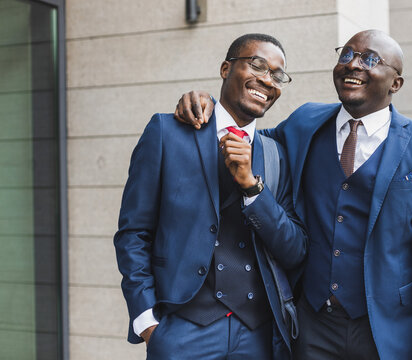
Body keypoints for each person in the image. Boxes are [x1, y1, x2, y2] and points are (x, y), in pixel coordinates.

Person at [174, 29, 412, 360]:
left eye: (369, 59)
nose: (353, 64)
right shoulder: (305, 123)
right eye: (346, 55)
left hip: (386, 331)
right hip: (312, 326)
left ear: (395, 84)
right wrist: (208, 105)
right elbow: (245, 136)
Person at [114, 33, 307, 360]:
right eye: (257, 65)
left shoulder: (276, 155)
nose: (266, 79)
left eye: (277, 75)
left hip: (257, 335)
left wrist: (252, 187)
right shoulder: (166, 133)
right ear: (225, 69)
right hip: (182, 331)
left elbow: (295, 249)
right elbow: (133, 233)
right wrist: (147, 321)